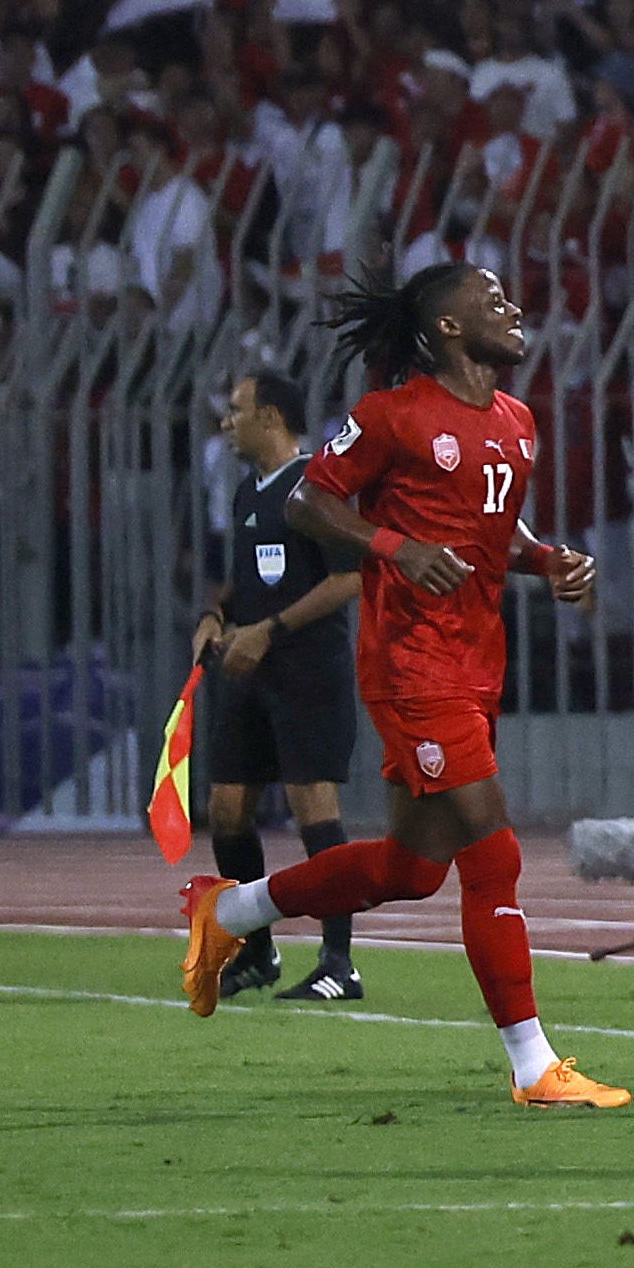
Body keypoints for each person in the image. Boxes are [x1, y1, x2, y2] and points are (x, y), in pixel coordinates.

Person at [176, 263, 623, 1109]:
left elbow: (489, 525)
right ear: (448, 328)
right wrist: (393, 548)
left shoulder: (518, 422)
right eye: (492, 301)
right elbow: (311, 500)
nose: (512, 307)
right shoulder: (391, 414)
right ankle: (534, 1067)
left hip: (475, 660)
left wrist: (542, 558)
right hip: (412, 663)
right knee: (494, 850)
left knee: (410, 870)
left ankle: (228, 914)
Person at [192, 370, 365, 1001]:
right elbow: (242, 579)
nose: (226, 422)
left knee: (314, 809)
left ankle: (340, 961)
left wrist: (270, 628)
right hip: (251, 670)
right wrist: (216, 616)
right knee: (226, 808)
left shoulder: (320, 486)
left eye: (235, 410)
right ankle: (259, 950)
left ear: (270, 417)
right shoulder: (246, 492)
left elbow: (351, 578)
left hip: (308, 671)